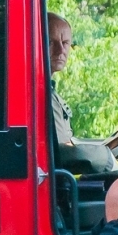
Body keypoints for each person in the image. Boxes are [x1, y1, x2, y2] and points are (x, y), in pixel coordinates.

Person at [47, 12, 76, 146]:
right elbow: (63, 149)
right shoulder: (37, 93)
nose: (60, 50)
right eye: (50, 42)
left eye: (65, 43)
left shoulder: (48, 90)